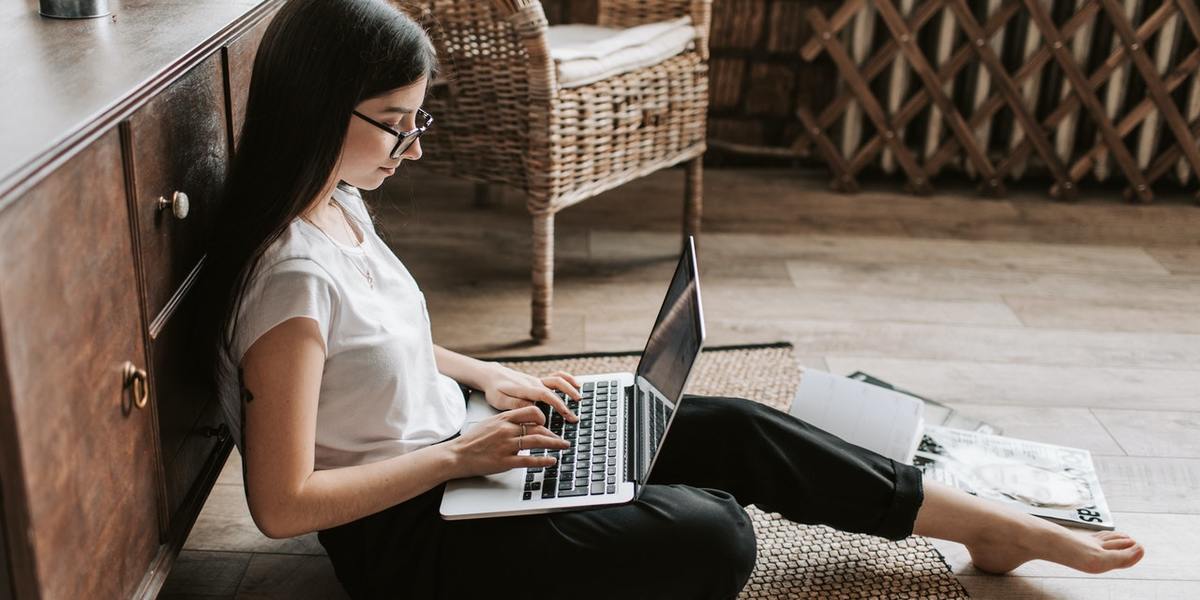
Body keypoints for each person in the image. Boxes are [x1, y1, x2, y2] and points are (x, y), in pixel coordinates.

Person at [193, 1, 1145, 598]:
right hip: (412, 543)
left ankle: (979, 523)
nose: (415, 149)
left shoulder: (343, 205)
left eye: (417, 121)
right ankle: (602, 503)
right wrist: (460, 455)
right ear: (323, 110)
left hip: (462, 456)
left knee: (727, 424)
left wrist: (488, 381)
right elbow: (281, 505)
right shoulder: (289, 282)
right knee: (715, 535)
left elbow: (385, 344)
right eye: (396, 127)